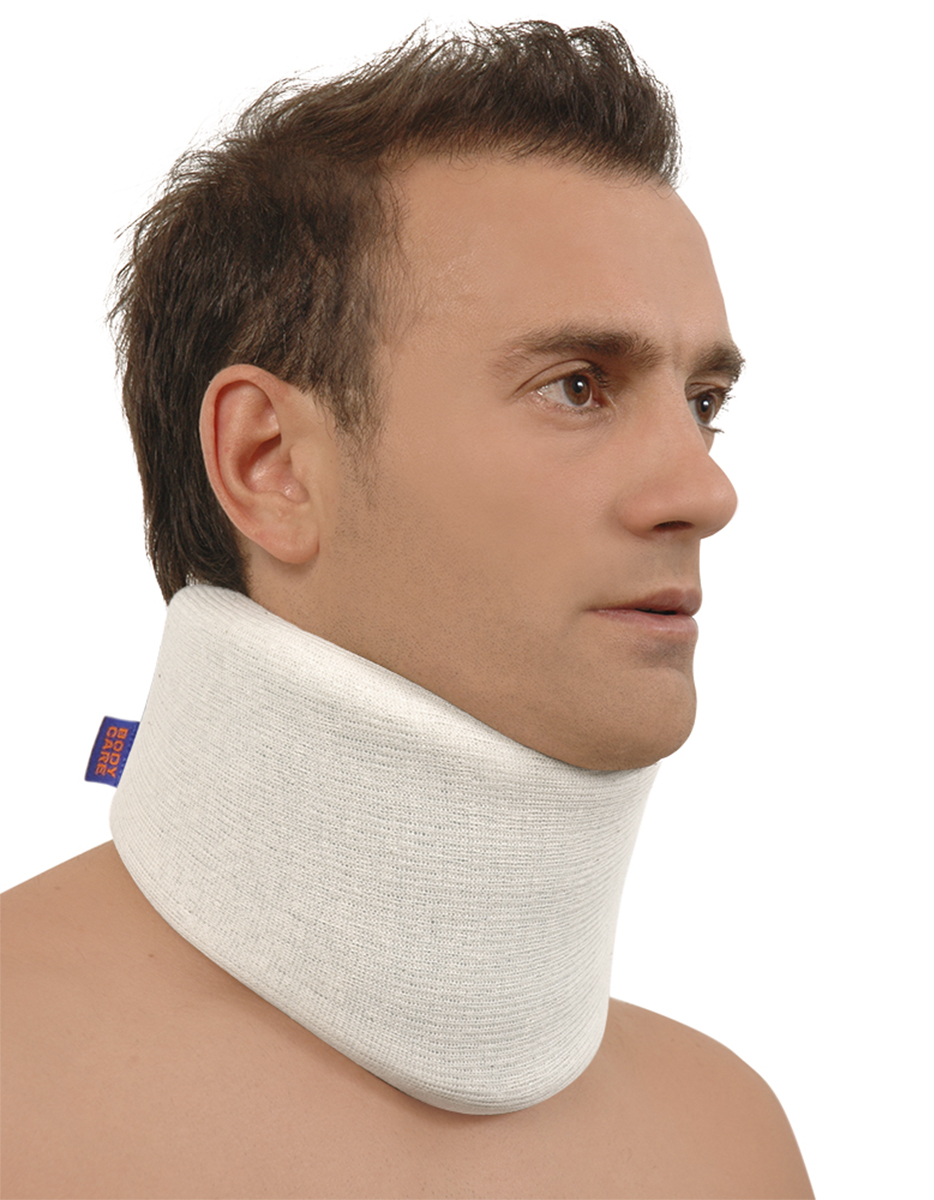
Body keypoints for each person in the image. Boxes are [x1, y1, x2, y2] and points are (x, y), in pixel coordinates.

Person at [1, 22, 813, 1198]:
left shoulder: (730, 1143)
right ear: (271, 463)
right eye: (579, 387)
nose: (706, 491)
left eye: (702, 402)